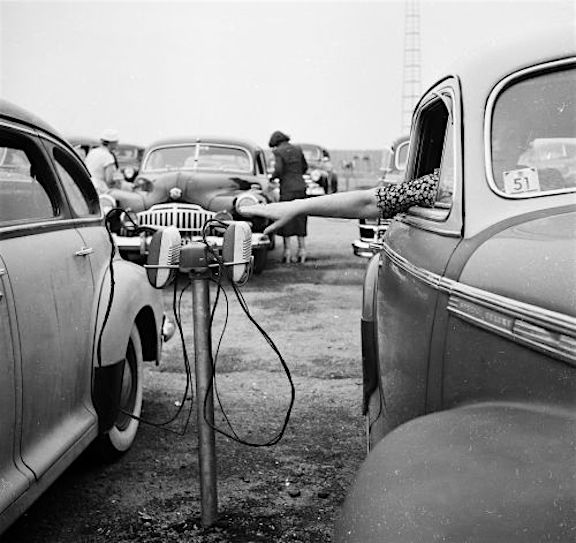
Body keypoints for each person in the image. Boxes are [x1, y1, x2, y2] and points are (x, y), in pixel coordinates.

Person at [240, 169, 440, 236]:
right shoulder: (437, 184)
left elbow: (370, 202)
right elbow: (371, 202)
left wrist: (296, 206)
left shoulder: (444, 183)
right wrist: (296, 206)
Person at [268, 130, 309, 264]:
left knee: (286, 218)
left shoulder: (278, 152)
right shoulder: (298, 149)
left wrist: (272, 178)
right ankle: (302, 250)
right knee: (300, 217)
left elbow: (279, 170)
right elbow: (305, 167)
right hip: (300, 187)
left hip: (287, 188)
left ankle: (287, 252)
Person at [85, 129, 120, 194]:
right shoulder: (108, 156)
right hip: (100, 189)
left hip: (88, 185)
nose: (117, 144)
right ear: (111, 143)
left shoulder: (92, 152)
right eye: (116, 142)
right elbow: (109, 180)